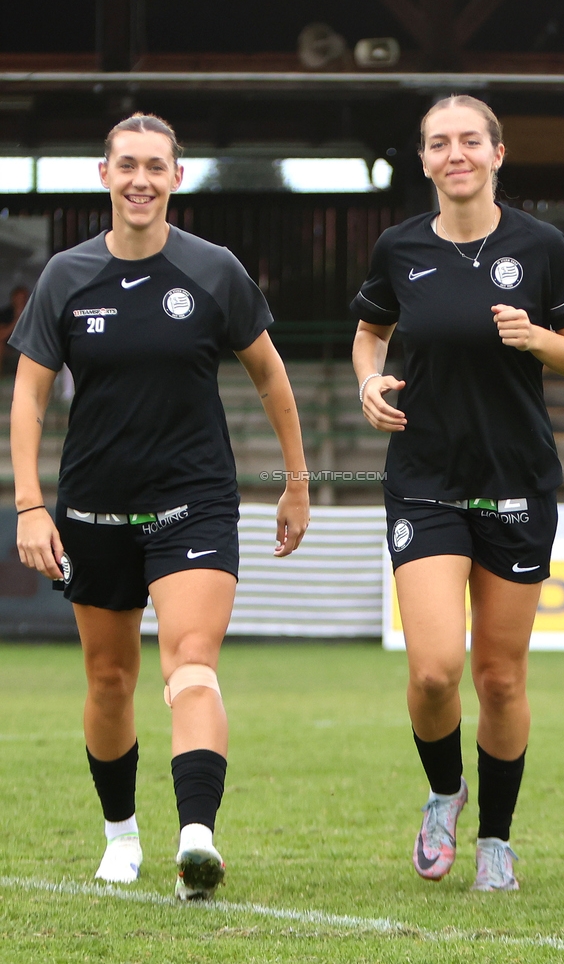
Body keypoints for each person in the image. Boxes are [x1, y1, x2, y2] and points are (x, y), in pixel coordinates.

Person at [9, 113, 310, 900]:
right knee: (110, 678)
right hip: (95, 511)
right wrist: (30, 505)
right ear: (104, 175)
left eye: (156, 166)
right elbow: (30, 399)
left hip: (195, 504)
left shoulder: (214, 272)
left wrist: (297, 481)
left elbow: (273, 380)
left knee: (191, 663)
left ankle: (197, 839)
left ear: (177, 178)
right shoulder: (65, 278)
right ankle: (120, 840)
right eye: (127, 165)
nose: (141, 179)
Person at [352, 95, 564, 891]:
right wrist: (367, 382)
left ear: (497, 153)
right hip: (424, 480)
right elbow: (368, 333)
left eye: (469, 140)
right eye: (438, 143)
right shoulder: (398, 248)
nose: (454, 153)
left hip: (516, 481)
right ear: (423, 160)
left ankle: (497, 838)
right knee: (433, 672)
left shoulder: (541, 246)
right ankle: (442, 793)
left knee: (499, 677)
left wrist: (539, 338)